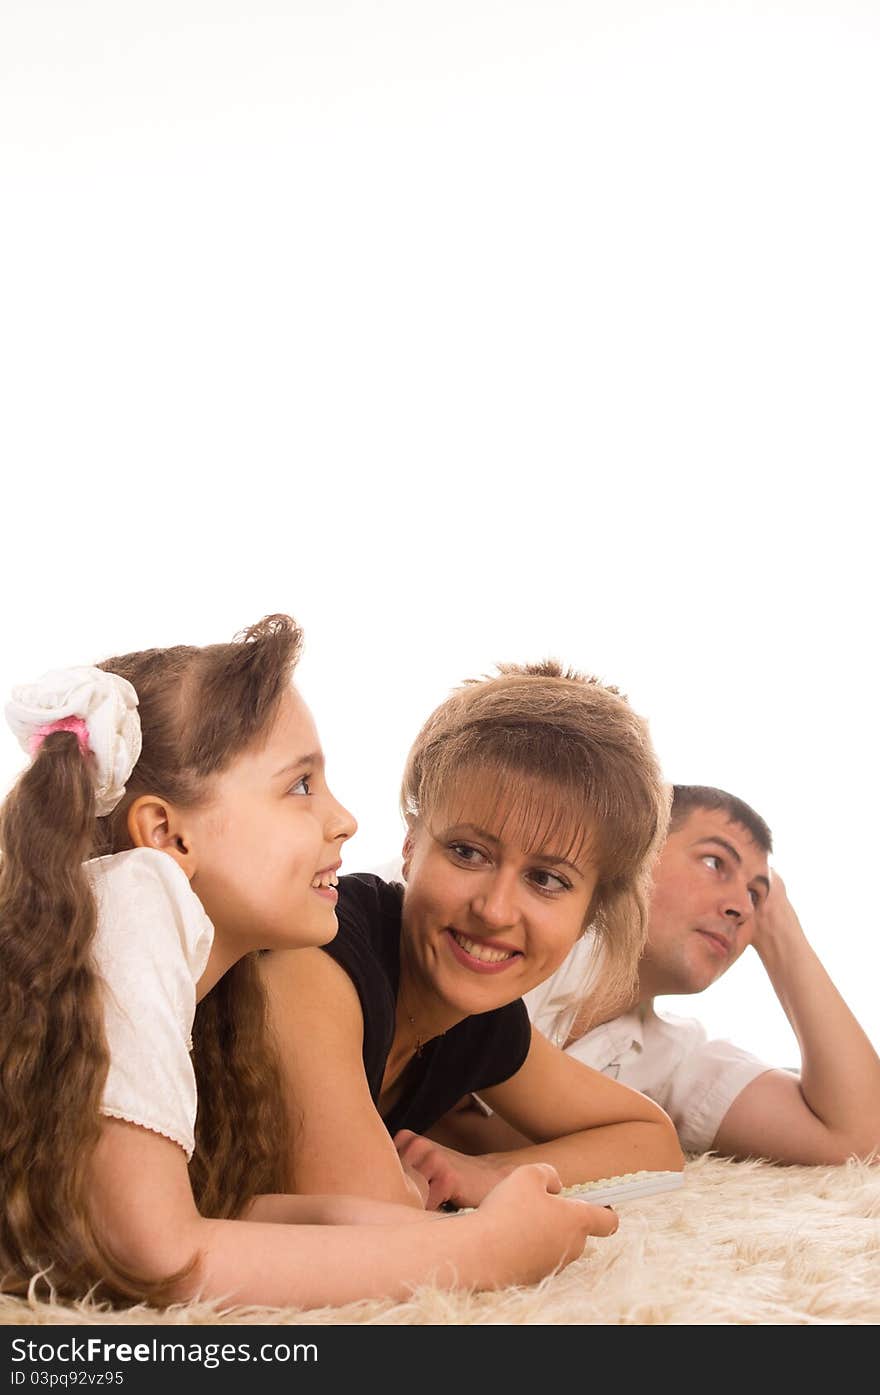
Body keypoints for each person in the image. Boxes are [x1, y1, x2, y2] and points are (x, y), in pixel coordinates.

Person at [0, 618, 617, 1309]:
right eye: (300, 785)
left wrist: (461, 1222)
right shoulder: (132, 909)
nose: (346, 818)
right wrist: (479, 1251)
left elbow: (229, 1214)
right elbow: (161, 1253)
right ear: (169, 833)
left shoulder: (211, 979)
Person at [261, 661, 684, 1213]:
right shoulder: (320, 953)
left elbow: (652, 1141)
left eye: (548, 879)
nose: (495, 909)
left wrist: (488, 1173)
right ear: (412, 846)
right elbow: (360, 1212)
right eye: (468, 852)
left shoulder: (477, 1018)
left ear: (590, 915)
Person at [434, 785, 880, 1167]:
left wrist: (781, 929)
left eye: (755, 895)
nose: (742, 907)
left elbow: (858, 1134)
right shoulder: (509, 927)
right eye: (714, 863)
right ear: (635, 854)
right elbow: (439, 1086)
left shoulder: (671, 1057)